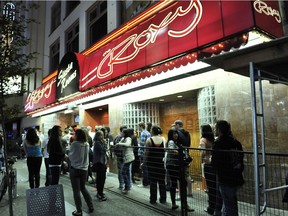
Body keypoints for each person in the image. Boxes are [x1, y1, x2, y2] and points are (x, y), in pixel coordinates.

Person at [211, 120, 244, 216]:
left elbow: (215, 162)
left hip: (225, 178)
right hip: (237, 176)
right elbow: (241, 158)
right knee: (230, 203)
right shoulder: (236, 142)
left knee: (229, 206)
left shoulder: (219, 143)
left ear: (219, 129)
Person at [166, 128, 194, 212]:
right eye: (174, 134)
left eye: (176, 133)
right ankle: (182, 204)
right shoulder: (171, 142)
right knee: (177, 184)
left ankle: (177, 204)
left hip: (175, 166)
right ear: (171, 135)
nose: (176, 135)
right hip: (173, 166)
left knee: (177, 184)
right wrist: (180, 152)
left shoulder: (177, 142)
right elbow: (171, 151)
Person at [68, 129, 94, 216]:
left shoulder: (74, 144)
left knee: (76, 191)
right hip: (84, 170)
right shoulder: (87, 144)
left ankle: (79, 211)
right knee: (83, 188)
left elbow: (71, 156)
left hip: (75, 169)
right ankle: (90, 206)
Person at [199, 124, 219, 215]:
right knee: (215, 186)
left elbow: (202, 153)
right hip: (215, 164)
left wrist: (201, 159)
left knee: (210, 187)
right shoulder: (214, 139)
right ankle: (217, 207)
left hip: (207, 164)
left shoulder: (203, 140)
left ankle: (211, 207)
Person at [144, 125, 166, 204]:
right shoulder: (163, 139)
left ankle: (153, 199)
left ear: (152, 131)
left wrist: (144, 162)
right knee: (162, 181)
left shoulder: (149, 140)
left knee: (153, 181)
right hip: (161, 163)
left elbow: (146, 153)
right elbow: (165, 150)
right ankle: (163, 199)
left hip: (152, 163)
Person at [174, 120, 193, 197]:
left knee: (179, 175)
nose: (175, 127)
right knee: (187, 174)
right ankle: (190, 192)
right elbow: (189, 144)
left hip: (179, 156)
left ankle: (180, 194)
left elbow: (176, 145)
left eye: (175, 125)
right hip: (186, 155)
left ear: (178, 125)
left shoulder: (177, 133)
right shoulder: (187, 133)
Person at [116, 128, 135, 194]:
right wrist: (119, 144)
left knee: (123, 172)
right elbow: (120, 147)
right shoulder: (123, 139)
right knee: (125, 172)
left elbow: (127, 144)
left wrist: (119, 144)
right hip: (126, 158)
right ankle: (128, 186)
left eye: (122, 133)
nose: (121, 133)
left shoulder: (128, 139)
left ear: (125, 133)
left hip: (129, 158)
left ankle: (127, 186)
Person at [93, 130, 108, 201]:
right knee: (101, 179)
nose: (103, 136)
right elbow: (103, 151)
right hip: (99, 163)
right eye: (101, 135)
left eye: (103, 135)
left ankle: (100, 192)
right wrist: (105, 144)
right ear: (98, 136)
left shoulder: (99, 143)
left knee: (101, 178)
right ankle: (99, 193)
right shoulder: (98, 143)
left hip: (101, 162)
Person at [113, 125, 127, 190]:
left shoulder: (120, 138)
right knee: (122, 171)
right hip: (122, 157)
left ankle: (122, 184)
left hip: (121, 157)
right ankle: (122, 184)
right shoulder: (119, 138)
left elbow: (114, 147)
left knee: (121, 171)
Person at [138, 122, 151, 187]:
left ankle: (144, 183)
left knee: (144, 168)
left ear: (141, 126)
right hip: (148, 153)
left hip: (143, 153)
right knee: (147, 168)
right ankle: (148, 182)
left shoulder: (143, 133)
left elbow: (142, 144)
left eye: (139, 126)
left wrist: (140, 152)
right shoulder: (148, 133)